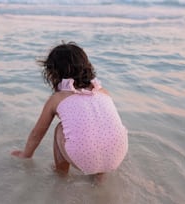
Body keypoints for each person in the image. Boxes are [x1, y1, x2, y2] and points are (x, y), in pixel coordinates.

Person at [11, 42, 128, 183]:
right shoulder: (103, 92)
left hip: (83, 158)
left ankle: (61, 174)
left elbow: (37, 133)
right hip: (116, 155)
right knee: (100, 128)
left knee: (60, 129)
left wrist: (26, 155)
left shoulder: (57, 99)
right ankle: (99, 177)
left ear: (53, 74)